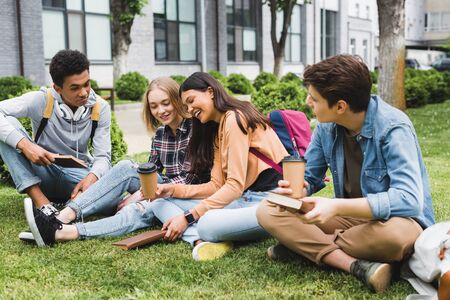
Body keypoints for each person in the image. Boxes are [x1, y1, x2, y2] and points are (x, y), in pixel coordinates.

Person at [256, 54, 435, 294]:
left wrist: (336, 207)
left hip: (398, 221)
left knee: (395, 238)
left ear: (340, 106)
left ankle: (302, 248)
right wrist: (300, 190)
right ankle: (353, 263)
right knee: (268, 209)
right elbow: (311, 175)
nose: (308, 101)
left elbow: (409, 200)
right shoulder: (326, 127)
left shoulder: (394, 128)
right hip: (353, 219)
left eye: (315, 98)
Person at [24, 77, 209, 247]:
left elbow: (193, 178)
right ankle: (62, 217)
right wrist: (143, 189)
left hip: (191, 194)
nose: (160, 111)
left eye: (165, 103)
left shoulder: (197, 129)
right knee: (126, 166)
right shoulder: (161, 134)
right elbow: (150, 170)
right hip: (165, 188)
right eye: (154, 106)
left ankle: (62, 233)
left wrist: (141, 195)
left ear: (177, 100)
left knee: (139, 209)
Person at [147, 71, 288, 261]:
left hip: (270, 202)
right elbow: (216, 185)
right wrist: (172, 190)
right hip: (244, 200)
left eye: (191, 100)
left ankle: (201, 234)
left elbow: (234, 186)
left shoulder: (235, 119)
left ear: (210, 92)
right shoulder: (218, 129)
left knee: (207, 224)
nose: (189, 110)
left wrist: (188, 217)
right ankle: (200, 242)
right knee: (159, 203)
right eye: (186, 105)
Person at [0, 49, 111, 215]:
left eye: (86, 84)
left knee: (112, 199)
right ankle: (42, 204)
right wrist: (25, 145)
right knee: (7, 127)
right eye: (75, 88)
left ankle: (72, 204)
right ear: (57, 88)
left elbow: (103, 157)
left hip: (77, 178)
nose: (84, 93)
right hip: (41, 173)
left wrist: (92, 177)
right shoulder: (40, 100)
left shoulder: (100, 108)